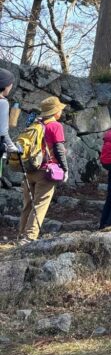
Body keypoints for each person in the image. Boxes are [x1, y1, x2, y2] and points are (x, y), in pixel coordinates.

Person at [18, 95, 70, 242]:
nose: (61, 112)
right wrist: (65, 169)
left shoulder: (35, 124)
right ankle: (29, 237)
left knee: (27, 204)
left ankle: (21, 234)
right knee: (40, 205)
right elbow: (59, 149)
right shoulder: (55, 126)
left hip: (29, 170)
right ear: (55, 112)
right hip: (45, 172)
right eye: (59, 109)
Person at [0, 68, 18, 187]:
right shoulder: (2, 103)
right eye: (10, 84)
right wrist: (13, 148)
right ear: (5, 85)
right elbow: (2, 132)